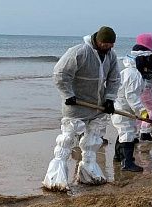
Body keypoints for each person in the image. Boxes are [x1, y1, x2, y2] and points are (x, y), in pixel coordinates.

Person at [43, 26, 120, 191]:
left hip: (97, 106)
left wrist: (110, 99)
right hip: (76, 105)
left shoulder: (111, 56)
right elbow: (60, 73)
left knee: (92, 141)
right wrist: (67, 94)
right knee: (67, 140)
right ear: (98, 41)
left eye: (112, 44)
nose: (109, 47)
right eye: (106, 43)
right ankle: (57, 177)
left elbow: (114, 79)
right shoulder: (79, 52)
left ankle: (88, 172)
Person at [112, 45, 152, 172]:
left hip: (125, 109)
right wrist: (142, 111)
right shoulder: (133, 75)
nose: (147, 71)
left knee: (125, 132)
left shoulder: (133, 72)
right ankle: (127, 163)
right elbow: (132, 96)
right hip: (122, 109)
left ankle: (118, 157)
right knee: (127, 134)